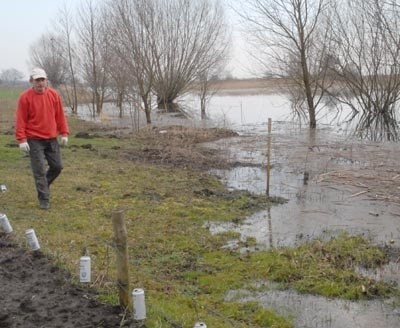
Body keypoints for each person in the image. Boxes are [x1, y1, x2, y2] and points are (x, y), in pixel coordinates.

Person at [15, 67, 69, 210]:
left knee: (57, 166)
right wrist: (22, 140)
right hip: (34, 139)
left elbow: (60, 116)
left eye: (42, 80)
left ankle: (44, 186)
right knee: (39, 170)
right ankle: (44, 199)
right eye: (37, 80)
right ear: (31, 81)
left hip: (51, 138)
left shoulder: (54, 95)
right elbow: (21, 120)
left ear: (46, 80)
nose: (40, 83)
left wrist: (64, 133)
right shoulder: (25, 98)